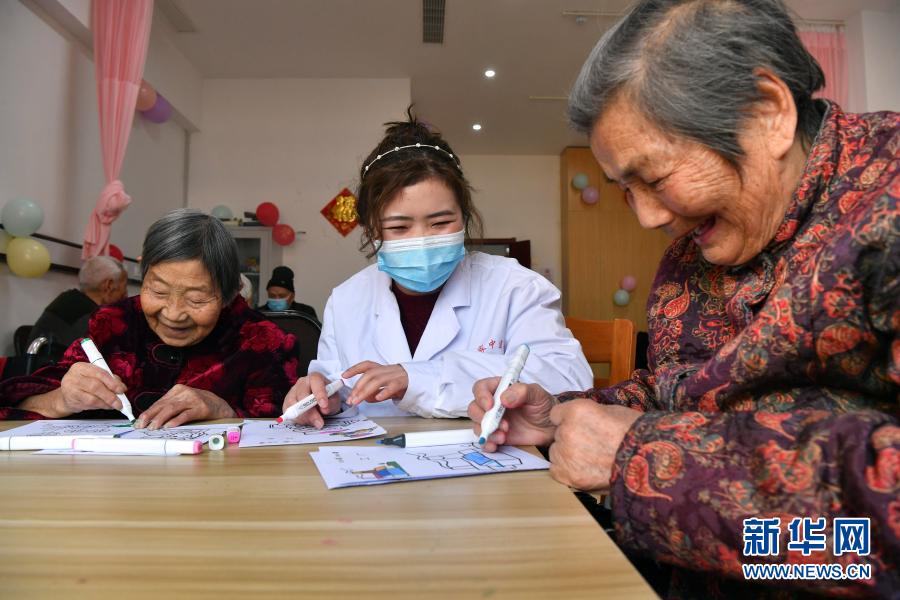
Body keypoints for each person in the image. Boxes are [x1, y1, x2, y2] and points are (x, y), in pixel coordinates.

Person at [469, 1, 898, 597]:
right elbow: (680, 391)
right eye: (627, 190)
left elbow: (872, 550)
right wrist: (559, 415)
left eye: (657, 177)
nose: (647, 217)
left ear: (768, 113)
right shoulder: (692, 259)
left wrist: (642, 463)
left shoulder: (886, 207)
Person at [283, 112, 592, 426]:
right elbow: (337, 386)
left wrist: (419, 378)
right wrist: (323, 400)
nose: (422, 241)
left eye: (441, 223)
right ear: (373, 230)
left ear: (465, 216)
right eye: (399, 227)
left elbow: (569, 379)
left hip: (486, 462)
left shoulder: (516, 288)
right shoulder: (347, 299)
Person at [0, 209, 299, 427]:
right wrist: (62, 400)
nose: (173, 313)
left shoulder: (263, 341)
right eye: (158, 291)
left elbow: (286, 429)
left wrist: (224, 410)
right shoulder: (112, 325)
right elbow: (18, 407)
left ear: (229, 294)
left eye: (196, 299)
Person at [26, 256, 128, 362]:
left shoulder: (66, 301)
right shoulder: (93, 319)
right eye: (124, 287)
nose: (125, 295)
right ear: (109, 286)